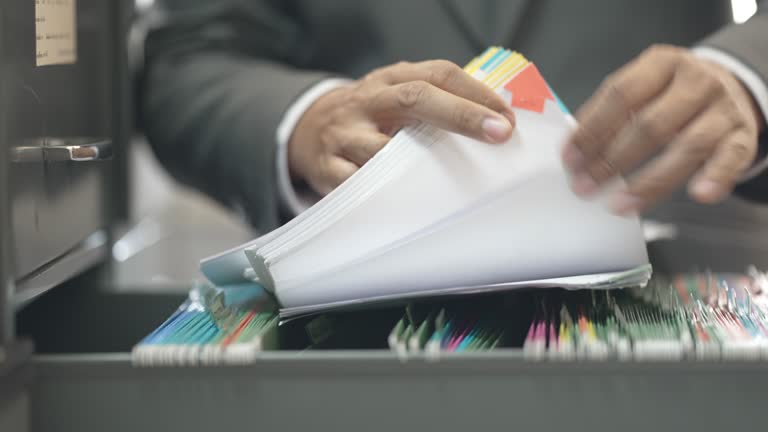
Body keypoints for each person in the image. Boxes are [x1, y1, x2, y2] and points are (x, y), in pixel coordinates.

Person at [134, 0, 767, 234]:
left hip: (687, 282)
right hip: (358, 321)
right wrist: (305, 120)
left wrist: (747, 78)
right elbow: (189, 60)